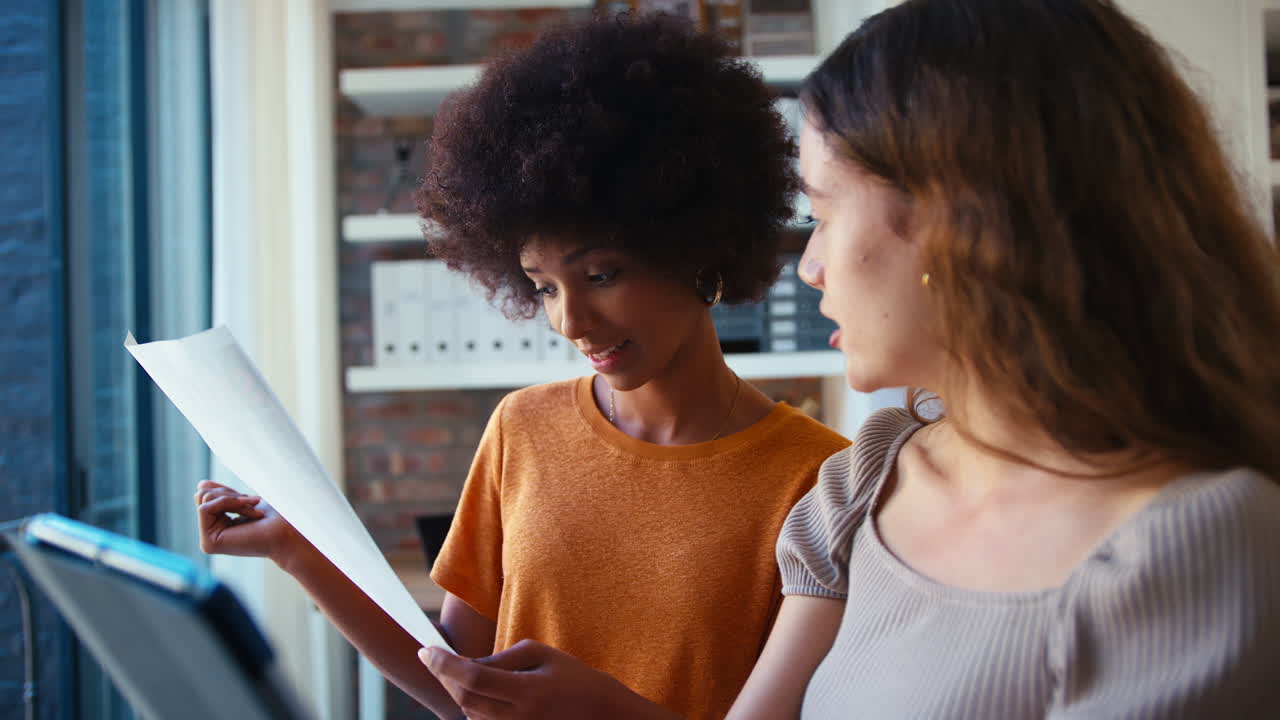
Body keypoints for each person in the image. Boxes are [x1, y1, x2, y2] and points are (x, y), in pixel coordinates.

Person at [194, 12, 848, 720]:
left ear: (696, 245)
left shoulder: (820, 481)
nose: (569, 321)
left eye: (600, 274)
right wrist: (296, 551)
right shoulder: (523, 428)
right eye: (542, 286)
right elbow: (458, 681)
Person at [722, 0, 1280, 717]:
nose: (810, 269)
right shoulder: (868, 478)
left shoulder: (1198, 550)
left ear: (957, 222)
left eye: (823, 216)